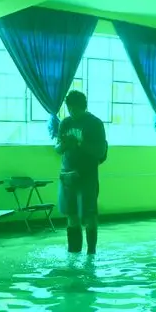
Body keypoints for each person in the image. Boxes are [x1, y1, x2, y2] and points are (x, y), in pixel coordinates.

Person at [56, 90, 107, 255]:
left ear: (83, 107)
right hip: (67, 175)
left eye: (75, 108)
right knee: (71, 215)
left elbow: (100, 152)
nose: (72, 112)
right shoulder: (64, 123)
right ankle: (73, 253)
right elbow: (57, 148)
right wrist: (63, 146)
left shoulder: (95, 124)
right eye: (70, 108)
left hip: (87, 175)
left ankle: (91, 253)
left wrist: (78, 143)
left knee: (89, 215)